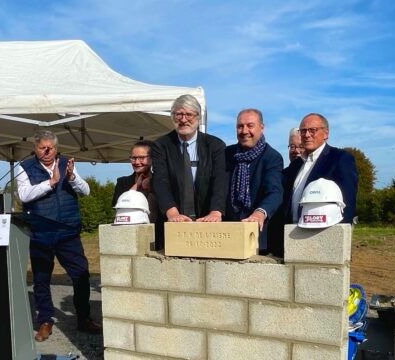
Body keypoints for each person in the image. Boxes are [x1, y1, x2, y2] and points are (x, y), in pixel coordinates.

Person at [17, 130, 101, 342]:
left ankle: (84, 318)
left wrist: (71, 178)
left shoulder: (67, 164)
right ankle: (45, 321)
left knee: (81, 275)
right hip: (41, 232)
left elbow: (86, 191)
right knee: (41, 280)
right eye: (42, 148)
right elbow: (24, 195)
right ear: (35, 149)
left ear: (56, 148)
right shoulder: (24, 167)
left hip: (68, 232)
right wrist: (51, 182)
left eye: (50, 148)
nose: (46, 151)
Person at [151, 94, 227, 249]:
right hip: (173, 222)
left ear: (198, 118)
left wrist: (215, 212)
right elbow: (160, 181)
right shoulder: (161, 146)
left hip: (207, 223)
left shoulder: (215, 145)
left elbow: (220, 181)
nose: (183, 119)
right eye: (179, 114)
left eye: (189, 114)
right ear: (173, 117)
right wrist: (172, 213)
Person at [283, 113, 358, 225]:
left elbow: (347, 204)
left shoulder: (340, 159)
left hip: (323, 232)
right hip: (291, 234)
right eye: (303, 131)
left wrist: (338, 235)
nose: (307, 135)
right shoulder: (295, 165)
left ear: (326, 134)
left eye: (312, 130)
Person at [225, 109, 283, 254]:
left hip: (256, 237)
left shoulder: (272, 157)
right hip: (228, 233)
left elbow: (275, 192)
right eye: (240, 126)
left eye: (250, 125)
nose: (244, 131)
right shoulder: (226, 154)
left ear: (261, 128)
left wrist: (260, 213)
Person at [112, 140, 156, 223]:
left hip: (157, 232)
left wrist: (151, 188)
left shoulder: (161, 182)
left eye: (142, 158)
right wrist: (136, 185)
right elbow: (119, 205)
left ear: (151, 158)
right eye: (134, 158)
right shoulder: (122, 182)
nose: (137, 162)